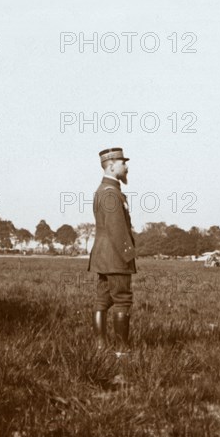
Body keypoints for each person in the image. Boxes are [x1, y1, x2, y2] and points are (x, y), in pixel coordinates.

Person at [88, 148, 136, 351]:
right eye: (123, 163)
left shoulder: (104, 191)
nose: (126, 167)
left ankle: (101, 347)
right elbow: (117, 229)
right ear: (111, 165)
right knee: (122, 300)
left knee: (103, 299)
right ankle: (122, 351)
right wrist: (129, 255)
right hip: (115, 258)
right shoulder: (111, 193)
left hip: (103, 257)